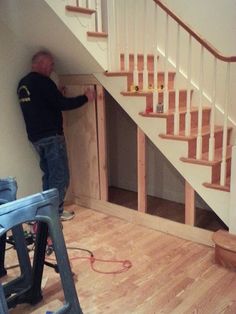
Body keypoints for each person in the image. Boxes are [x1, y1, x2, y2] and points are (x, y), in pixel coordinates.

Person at [17, 50, 94, 221]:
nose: (52, 68)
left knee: (49, 175)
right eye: (51, 64)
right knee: (60, 176)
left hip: (36, 138)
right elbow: (62, 105)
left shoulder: (24, 84)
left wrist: (56, 93)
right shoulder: (44, 82)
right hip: (51, 137)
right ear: (42, 64)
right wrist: (85, 98)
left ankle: (47, 212)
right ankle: (53, 214)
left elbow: (42, 104)